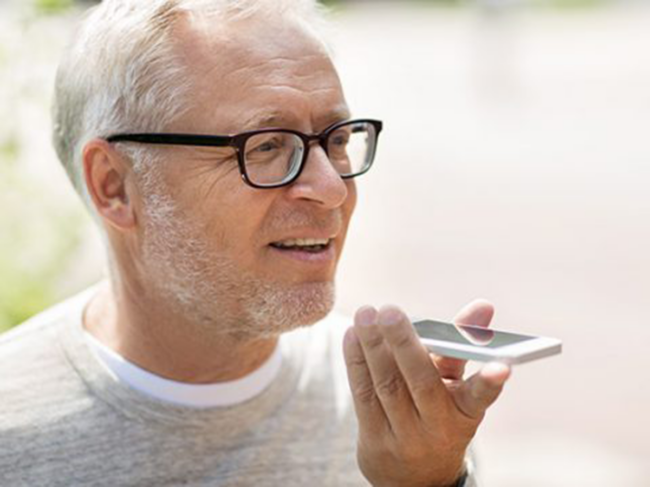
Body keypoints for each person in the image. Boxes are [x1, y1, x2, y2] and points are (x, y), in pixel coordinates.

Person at [0, 0, 511, 485]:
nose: (333, 189)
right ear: (114, 185)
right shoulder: (13, 429)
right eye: (266, 146)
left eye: (335, 140)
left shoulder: (395, 414)